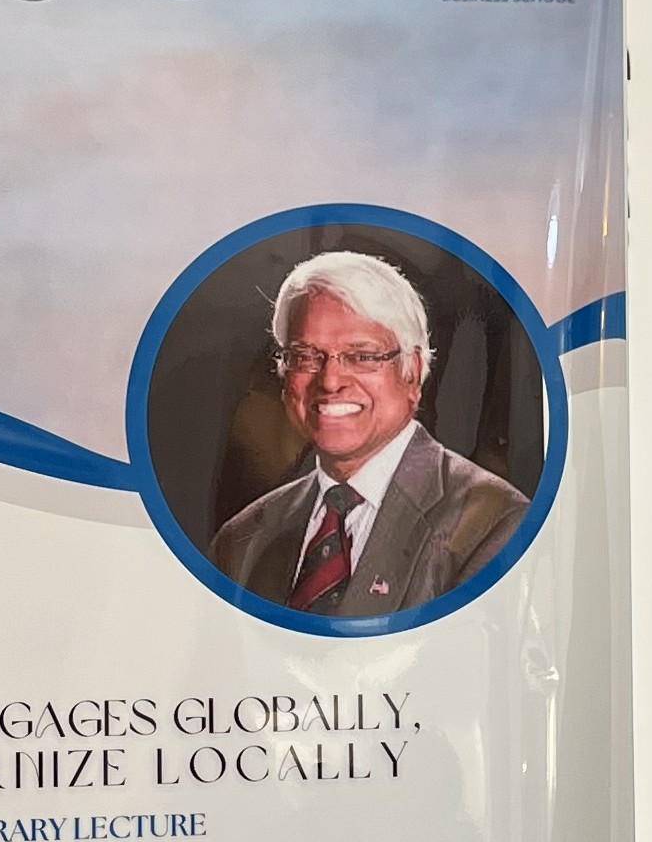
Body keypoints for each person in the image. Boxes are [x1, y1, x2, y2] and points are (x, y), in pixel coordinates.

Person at [210, 250, 529, 615]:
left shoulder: (494, 524)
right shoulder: (242, 541)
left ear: (412, 370)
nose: (330, 381)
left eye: (362, 356)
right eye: (306, 356)